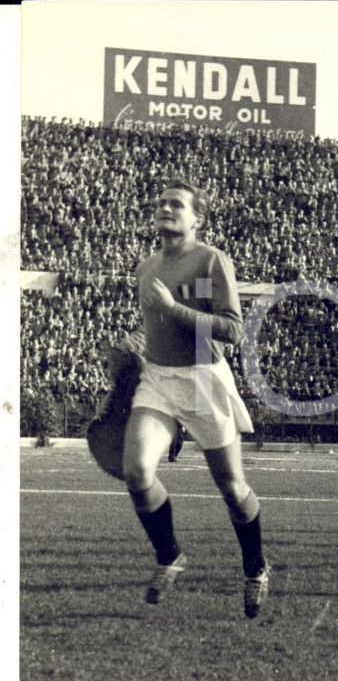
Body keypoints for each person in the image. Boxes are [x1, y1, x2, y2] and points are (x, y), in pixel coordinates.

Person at [118, 179, 268, 618]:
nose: (166, 208)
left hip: (204, 377)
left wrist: (172, 309)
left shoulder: (209, 260)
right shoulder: (146, 267)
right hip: (159, 379)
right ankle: (170, 556)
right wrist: (135, 338)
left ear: (196, 218)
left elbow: (232, 329)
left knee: (231, 487)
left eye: (177, 204)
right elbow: (157, 326)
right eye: (162, 202)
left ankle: (256, 568)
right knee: (137, 472)